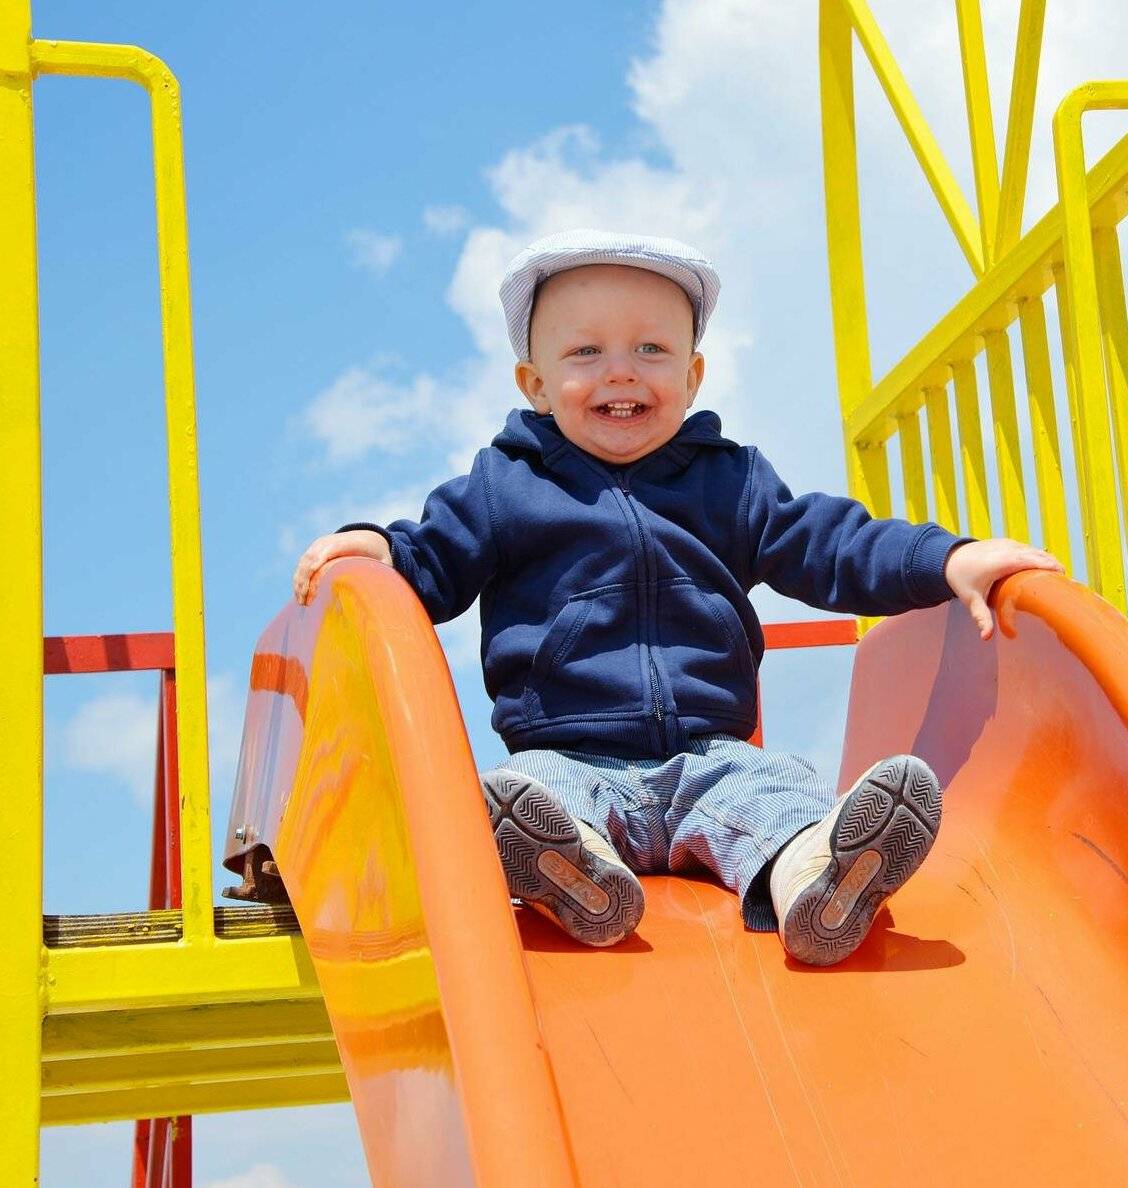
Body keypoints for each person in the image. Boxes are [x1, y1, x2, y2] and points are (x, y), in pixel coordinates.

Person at [291, 229, 1061, 966]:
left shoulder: (730, 483)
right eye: (586, 352)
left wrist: (946, 558)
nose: (622, 372)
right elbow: (431, 558)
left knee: (779, 798)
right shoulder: (505, 488)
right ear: (535, 385)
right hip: (567, 751)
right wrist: (380, 550)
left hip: (712, 757)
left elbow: (832, 544)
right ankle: (568, 867)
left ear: (692, 378)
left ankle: (821, 880)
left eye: (651, 350)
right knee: (530, 796)